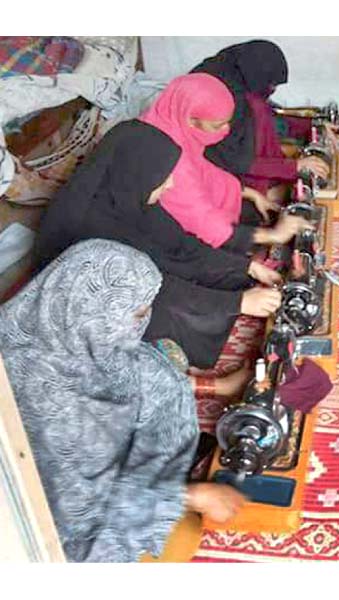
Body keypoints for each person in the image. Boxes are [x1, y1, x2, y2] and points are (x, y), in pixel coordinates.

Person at [0, 239, 247, 562]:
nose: (142, 322)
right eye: (136, 314)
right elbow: (70, 511)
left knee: (163, 362)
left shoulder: (46, 325)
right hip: (64, 540)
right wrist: (184, 496)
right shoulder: (44, 403)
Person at [33, 118, 284, 370]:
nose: (170, 185)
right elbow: (156, 289)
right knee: (163, 314)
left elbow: (184, 246)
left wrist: (247, 267)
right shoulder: (86, 224)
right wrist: (238, 303)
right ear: (138, 171)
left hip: (143, 279)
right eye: (163, 177)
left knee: (227, 275)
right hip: (87, 311)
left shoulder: (131, 195)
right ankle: (179, 368)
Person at [139, 72, 312, 250]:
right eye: (217, 125)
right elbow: (202, 222)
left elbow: (204, 170)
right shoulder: (167, 160)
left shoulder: (169, 122)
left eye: (227, 123)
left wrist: (248, 193)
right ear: (191, 119)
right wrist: (273, 235)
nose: (226, 130)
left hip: (212, 207)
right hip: (188, 240)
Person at [191, 40, 330, 195]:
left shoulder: (239, 70)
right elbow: (234, 159)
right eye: (271, 85)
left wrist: (314, 126)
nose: (272, 90)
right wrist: (293, 167)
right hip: (216, 179)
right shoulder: (226, 102)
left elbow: (273, 120)